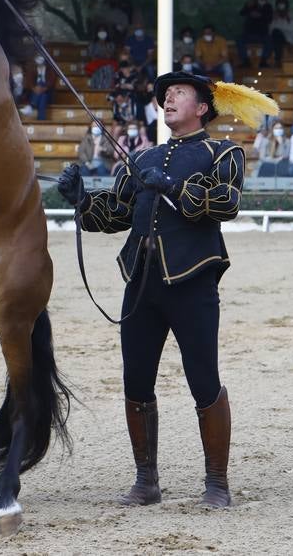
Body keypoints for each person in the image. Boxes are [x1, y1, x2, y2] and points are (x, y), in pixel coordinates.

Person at [56, 70, 244, 509]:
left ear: (202, 108)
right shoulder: (140, 159)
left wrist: (175, 187)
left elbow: (227, 202)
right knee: (135, 381)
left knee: (204, 380)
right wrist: (82, 199)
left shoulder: (223, 151)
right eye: (165, 95)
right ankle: (147, 481)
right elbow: (117, 212)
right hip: (142, 282)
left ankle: (217, 482)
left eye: (179, 93)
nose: (168, 98)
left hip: (192, 282)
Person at [238, 0, 273, 68]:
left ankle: (263, 61)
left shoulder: (268, 6)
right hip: (249, 34)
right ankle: (245, 61)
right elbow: (242, 13)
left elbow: (270, 19)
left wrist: (260, 16)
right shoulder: (251, 4)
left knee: (270, 40)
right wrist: (247, 6)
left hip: (262, 34)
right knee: (239, 39)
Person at [84, 26, 118, 91]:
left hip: (107, 64)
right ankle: (97, 88)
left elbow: (110, 56)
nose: (102, 33)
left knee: (108, 69)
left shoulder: (111, 44)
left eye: (103, 31)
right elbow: (91, 57)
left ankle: (107, 88)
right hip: (96, 64)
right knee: (99, 71)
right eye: (100, 31)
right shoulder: (93, 44)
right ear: (97, 33)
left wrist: (105, 46)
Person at [267, 0, 293, 67]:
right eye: (279, 3)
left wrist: (286, 18)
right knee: (276, 33)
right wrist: (274, 18)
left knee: (277, 34)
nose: (281, 5)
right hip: (276, 38)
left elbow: (291, 28)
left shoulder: (290, 15)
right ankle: (277, 60)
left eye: (282, 3)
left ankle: (278, 60)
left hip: (288, 39)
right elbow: (271, 29)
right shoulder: (274, 15)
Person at [28, 54, 56, 120]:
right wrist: (34, 89)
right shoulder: (33, 69)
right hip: (36, 93)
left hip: (47, 92)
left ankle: (32, 105)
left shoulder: (49, 70)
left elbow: (51, 82)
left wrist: (42, 88)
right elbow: (29, 82)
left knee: (41, 84)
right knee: (43, 98)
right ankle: (41, 120)